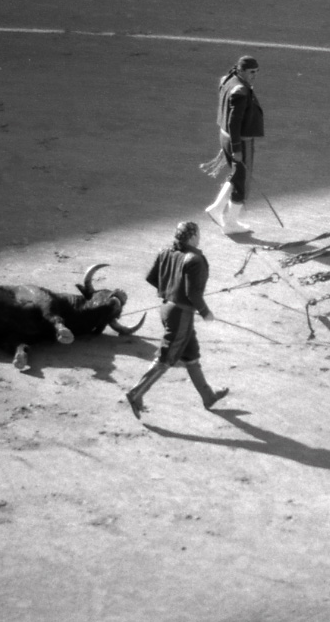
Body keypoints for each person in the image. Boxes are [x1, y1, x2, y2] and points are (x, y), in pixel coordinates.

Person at [125, 221, 228, 418]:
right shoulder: (195, 259)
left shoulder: (165, 252)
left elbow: (151, 278)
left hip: (167, 309)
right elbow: (192, 293)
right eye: (198, 234)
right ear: (191, 237)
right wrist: (205, 312)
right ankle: (136, 392)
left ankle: (208, 397)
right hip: (181, 315)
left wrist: (170, 291)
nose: (199, 237)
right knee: (166, 357)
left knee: (191, 354)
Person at [204, 55, 264, 235]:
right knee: (242, 183)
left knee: (237, 175)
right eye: (251, 72)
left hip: (226, 137)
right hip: (238, 140)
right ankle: (230, 223)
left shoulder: (229, 80)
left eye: (257, 72)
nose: (255, 75)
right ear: (241, 71)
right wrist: (237, 148)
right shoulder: (240, 91)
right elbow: (234, 122)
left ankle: (216, 208)